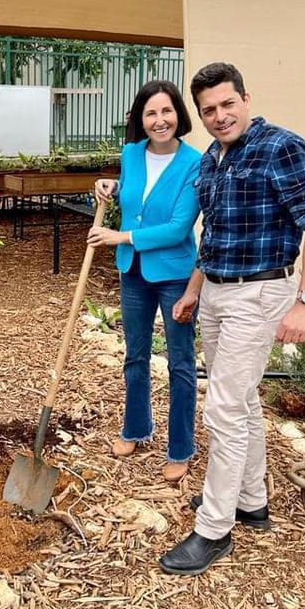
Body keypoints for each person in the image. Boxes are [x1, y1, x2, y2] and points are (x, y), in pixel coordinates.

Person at [159, 62, 305, 577]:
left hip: (260, 293)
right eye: (208, 110)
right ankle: (251, 500)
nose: (218, 116)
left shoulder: (281, 147)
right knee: (241, 402)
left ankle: (214, 529)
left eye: (227, 104)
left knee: (224, 409)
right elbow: (213, 233)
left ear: (245, 98)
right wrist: (194, 290)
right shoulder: (214, 157)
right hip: (215, 291)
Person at [89, 80, 201, 482]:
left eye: (166, 112)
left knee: (180, 363)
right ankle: (135, 429)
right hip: (133, 272)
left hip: (173, 275)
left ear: (179, 115)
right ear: (140, 118)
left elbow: (176, 227)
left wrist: (121, 236)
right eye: (150, 113)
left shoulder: (194, 162)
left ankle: (180, 447)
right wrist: (110, 187)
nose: (159, 121)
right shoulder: (131, 154)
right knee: (135, 357)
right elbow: (133, 200)